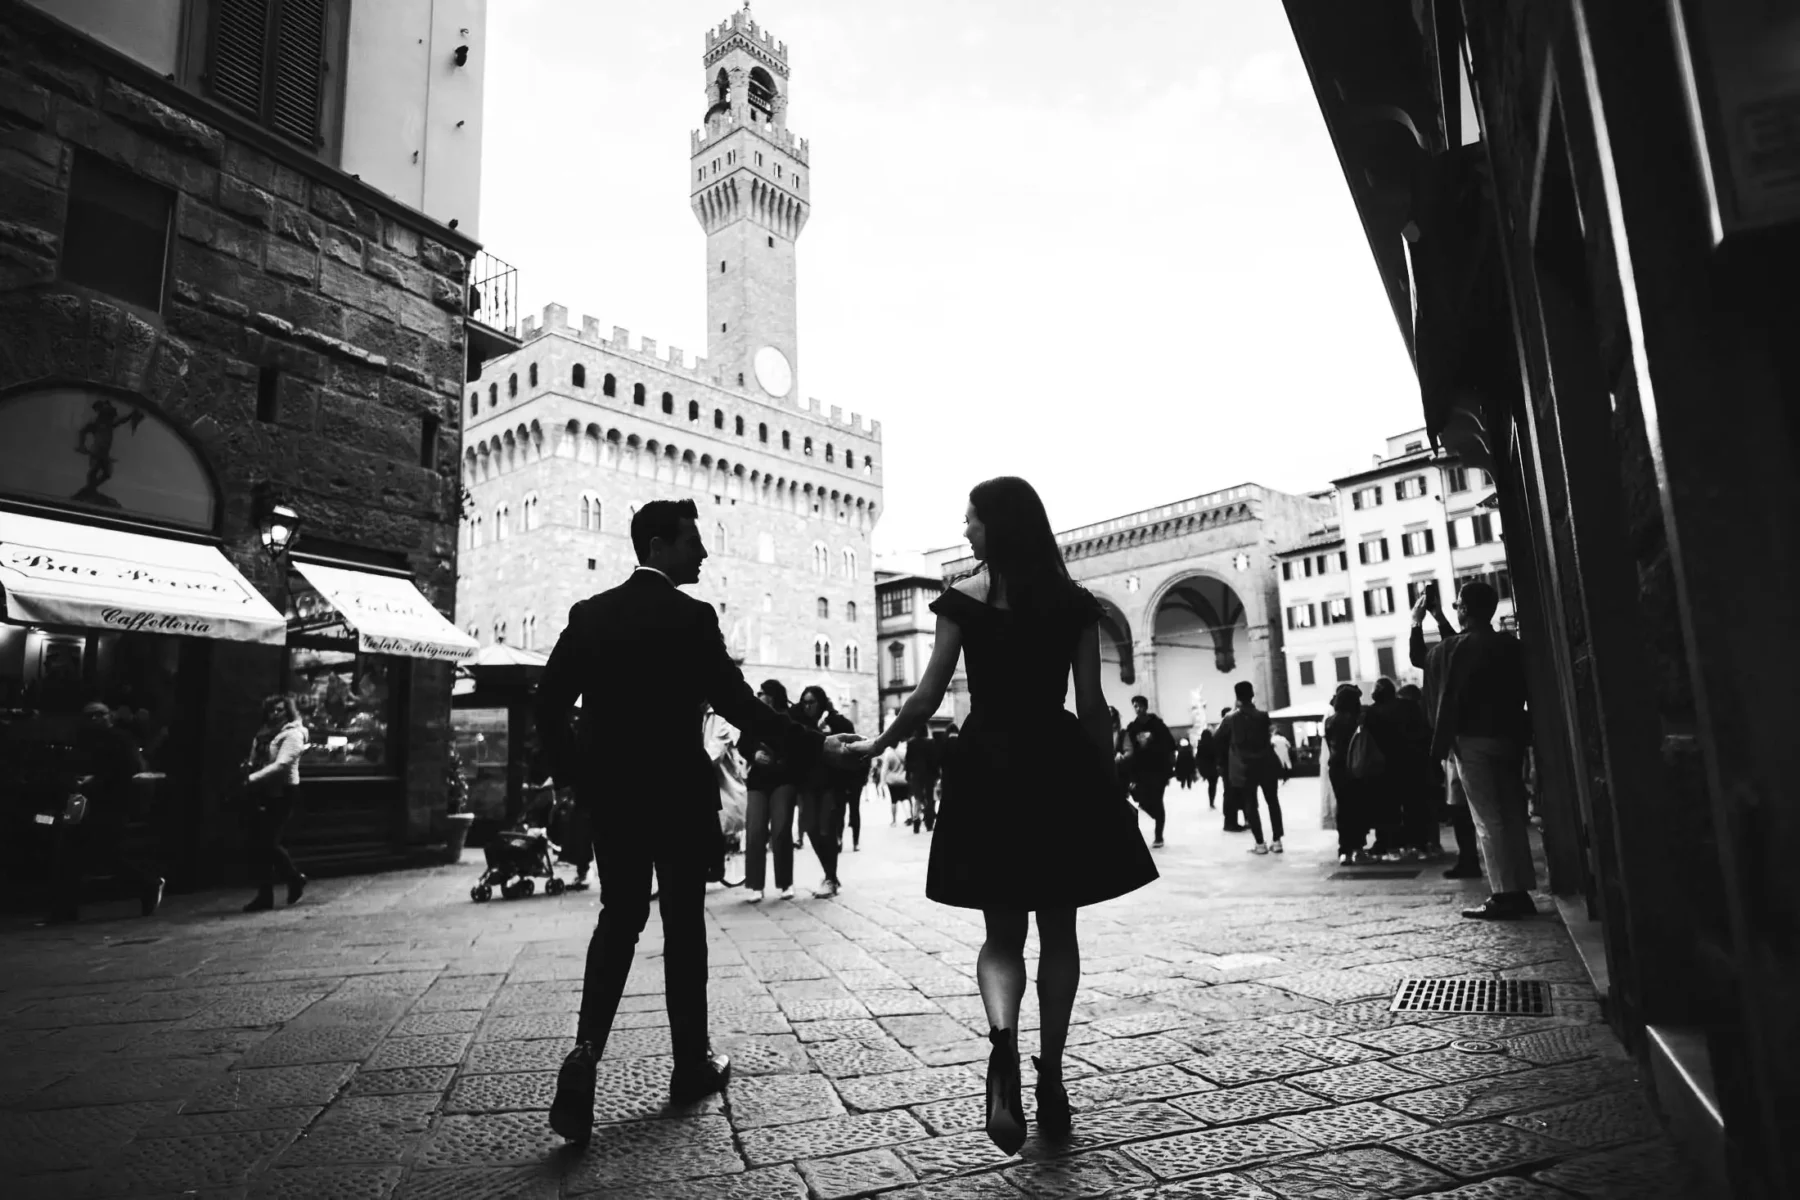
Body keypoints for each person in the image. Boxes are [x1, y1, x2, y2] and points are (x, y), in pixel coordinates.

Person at [534, 499, 861, 1142]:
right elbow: (740, 704)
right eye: (692, 541)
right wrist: (812, 744)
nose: (703, 553)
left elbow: (548, 702)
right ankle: (690, 1065)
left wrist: (578, 778)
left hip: (616, 800)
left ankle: (585, 1053)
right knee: (684, 926)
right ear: (657, 545)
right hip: (680, 797)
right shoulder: (693, 616)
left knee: (619, 919)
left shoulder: (590, 615)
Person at [847, 476, 1157, 1156]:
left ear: (1000, 526)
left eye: (973, 520)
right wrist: (1107, 792)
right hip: (1054, 763)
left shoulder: (964, 601)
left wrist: (874, 743)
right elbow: (1091, 705)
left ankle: (1002, 1045)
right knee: (1061, 930)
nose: (966, 531)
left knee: (1002, 934)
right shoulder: (1074, 605)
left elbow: (928, 695)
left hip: (987, 766)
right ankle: (1051, 1076)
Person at [1411, 579, 1535, 919]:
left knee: (1487, 818)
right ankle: (1521, 890)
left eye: (1457, 606)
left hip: (1472, 742)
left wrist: (1416, 622)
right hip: (1509, 738)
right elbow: (1459, 646)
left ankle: (1504, 894)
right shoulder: (1507, 644)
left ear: (1465, 610)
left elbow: (1424, 657)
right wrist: (1440, 618)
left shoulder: (1455, 650)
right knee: (1511, 815)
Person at [52, 701, 164, 922]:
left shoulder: (120, 740)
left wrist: (95, 780)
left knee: (103, 851)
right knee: (72, 849)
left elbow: (128, 771)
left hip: (110, 803)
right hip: (83, 800)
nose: (94, 720)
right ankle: (66, 909)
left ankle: (147, 884)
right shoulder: (87, 742)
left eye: (98, 715)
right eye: (89, 716)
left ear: (108, 717)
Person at [243, 694, 309, 912]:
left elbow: (282, 765)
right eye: (271, 710)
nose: (275, 714)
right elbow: (255, 758)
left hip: (284, 791)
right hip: (262, 791)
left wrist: (252, 778)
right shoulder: (264, 733)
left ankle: (294, 878)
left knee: (268, 842)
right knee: (260, 844)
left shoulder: (293, 734)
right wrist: (248, 768)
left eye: (280, 710)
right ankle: (266, 894)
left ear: (288, 711)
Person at [739, 681, 799, 903]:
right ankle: (755, 884)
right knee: (754, 830)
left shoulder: (788, 717)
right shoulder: (753, 717)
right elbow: (743, 744)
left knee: (781, 830)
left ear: (772, 696)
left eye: (761, 693)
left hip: (783, 778)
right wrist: (754, 754)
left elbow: (797, 745)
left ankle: (785, 882)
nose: (758, 696)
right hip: (758, 781)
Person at [795, 685, 858, 892]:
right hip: (807, 785)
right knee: (811, 829)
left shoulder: (837, 721)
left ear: (820, 703)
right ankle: (829, 874)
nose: (807, 706)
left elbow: (850, 744)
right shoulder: (800, 722)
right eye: (804, 702)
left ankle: (831, 877)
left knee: (827, 831)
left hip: (832, 785)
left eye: (811, 702)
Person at [1216, 682, 1283, 854]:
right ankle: (1277, 841)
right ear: (1253, 694)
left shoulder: (1230, 718)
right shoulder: (1263, 716)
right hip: (1266, 763)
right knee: (1273, 802)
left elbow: (1217, 738)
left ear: (1237, 697)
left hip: (1245, 767)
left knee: (1251, 804)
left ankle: (1260, 843)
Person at [1125, 695, 1176, 848]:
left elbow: (1169, 745)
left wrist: (1169, 767)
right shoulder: (1132, 728)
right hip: (1141, 771)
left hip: (1158, 769)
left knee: (1158, 800)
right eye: (1135, 706)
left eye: (1140, 705)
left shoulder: (1157, 725)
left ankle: (1158, 835)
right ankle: (1157, 816)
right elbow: (1131, 750)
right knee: (1143, 800)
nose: (1137, 709)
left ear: (1146, 707)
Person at [1324, 684, 1366, 864]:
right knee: (1358, 806)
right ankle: (1358, 848)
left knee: (1343, 806)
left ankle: (1344, 849)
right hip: (1356, 765)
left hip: (1336, 766)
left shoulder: (1330, 721)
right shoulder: (1358, 719)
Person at [904, 729, 936, 833]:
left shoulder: (911, 743)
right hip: (929, 775)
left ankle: (916, 823)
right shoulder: (930, 742)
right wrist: (936, 775)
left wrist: (908, 775)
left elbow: (907, 760)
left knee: (917, 799)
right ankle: (929, 823)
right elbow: (933, 760)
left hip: (916, 775)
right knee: (929, 799)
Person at [880, 743, 911, 828]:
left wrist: (882, 781)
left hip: (892, 781)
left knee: (894, 800)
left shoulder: (888, 755)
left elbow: (884, 769)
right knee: (905, 798)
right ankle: (909, 817)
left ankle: (894, 821)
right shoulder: (903, 753)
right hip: (903, 779)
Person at [1195, 718, 1221, 811]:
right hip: (1213, 768)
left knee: (1210, 785)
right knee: (1213, 785)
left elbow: (1198, 758)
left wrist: (1199, 768)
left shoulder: (1200, 745)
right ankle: (1212, 801)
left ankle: (1211, 802)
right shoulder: (1213, 743)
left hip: (1205, 768)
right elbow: (1217, 755)